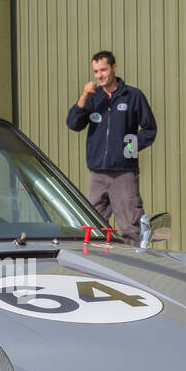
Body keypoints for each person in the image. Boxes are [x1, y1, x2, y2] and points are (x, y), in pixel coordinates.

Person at [65, 50, 157, 245]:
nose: (99, 75)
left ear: (114, 68)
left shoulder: (132, 96)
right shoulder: (92, 98)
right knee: (91, 227)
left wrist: (129, 149)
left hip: (124, 174)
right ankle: (97, 264)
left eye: (103, 70)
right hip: (97, 175)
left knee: (131, 227)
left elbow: (149, 128)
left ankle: (136, 265)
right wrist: (83, 96)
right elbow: (73, 124)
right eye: (96, 71)